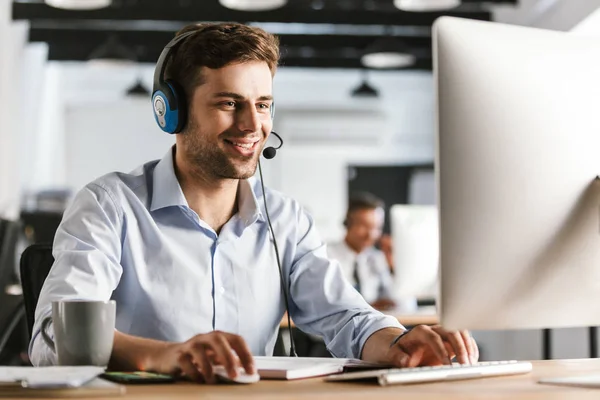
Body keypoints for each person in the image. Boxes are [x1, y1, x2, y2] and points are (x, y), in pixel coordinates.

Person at [29, 22, 478, 382]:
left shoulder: (285, 219)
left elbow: (345, 317)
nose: (252, 125)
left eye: (263, 105)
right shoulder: (110, 206)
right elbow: (54, 340)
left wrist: (400, 342)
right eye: (229, 103)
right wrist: (169, 356)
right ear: (172, 111)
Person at [327, 193, 414, 311]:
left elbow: (407, 307)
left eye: (376, 228)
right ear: (347, 223)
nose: (371, 235)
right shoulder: (326, 256)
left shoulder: (378, 259)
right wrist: (369, 307)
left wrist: (393, 265)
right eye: (364, 226)